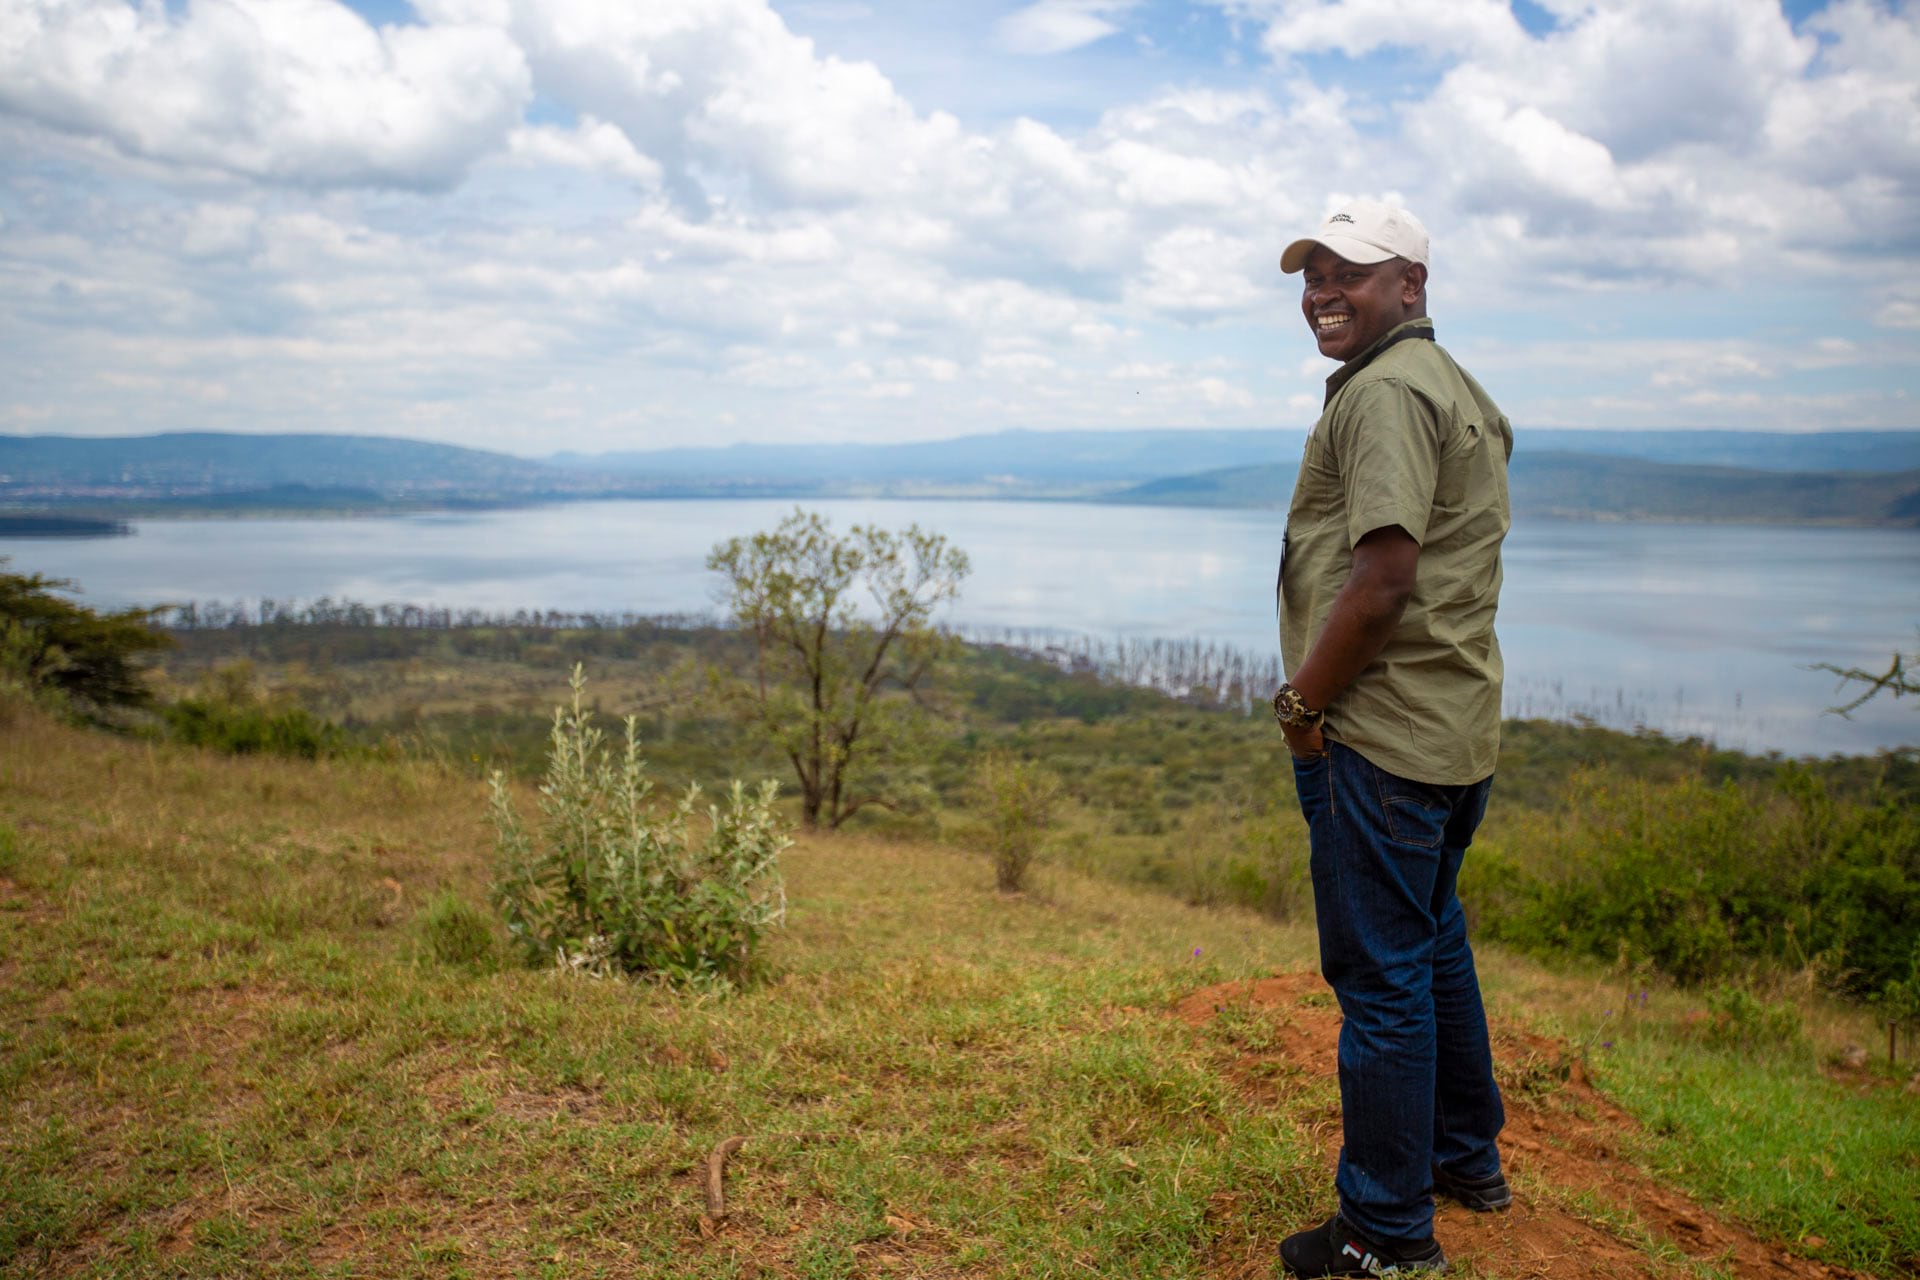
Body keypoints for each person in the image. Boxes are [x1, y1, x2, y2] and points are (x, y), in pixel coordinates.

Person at [1269, 199, 1514, 1277]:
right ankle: (1468, 1159)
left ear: (1410, 283)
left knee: (1380, 977)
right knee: (1431, 944)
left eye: (1349, 270)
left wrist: (1304, 708)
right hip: (1453, 734)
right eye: (1311, 269)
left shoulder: (1384, 394)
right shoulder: (1455, 386)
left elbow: (1381, 581)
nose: (1322, 286)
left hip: (1382, 738)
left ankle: (1383, 1233)